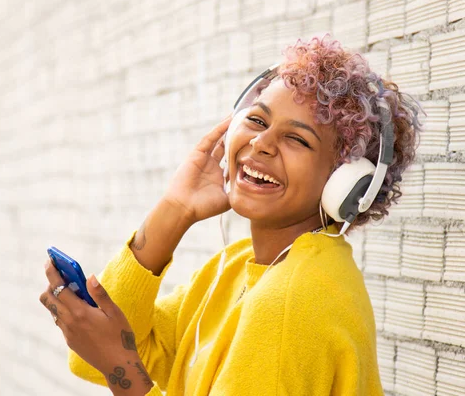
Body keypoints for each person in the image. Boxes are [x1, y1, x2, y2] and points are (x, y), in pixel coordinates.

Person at [39, 35, 421, 396]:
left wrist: (120, 369)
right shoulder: (239, 267)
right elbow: (101, 357)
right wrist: (177, 208)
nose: (262, 143)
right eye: (257, 120)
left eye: (298, 139)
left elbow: (119, 361)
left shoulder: (292, 300)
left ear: (345, 184)